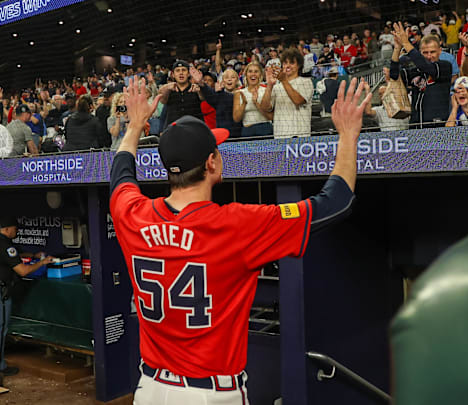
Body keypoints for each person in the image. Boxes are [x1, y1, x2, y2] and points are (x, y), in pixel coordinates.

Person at [109, 76, 369, 405]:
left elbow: (120, 176)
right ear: (211, 163)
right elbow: (336, 202)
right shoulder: (237, 225)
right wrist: (348, 135)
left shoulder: (133, 215)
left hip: (149, 390)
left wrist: (133, 126)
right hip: (208, 395)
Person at [0, 218, 54, 376]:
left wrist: (32, 254)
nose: (16, 231)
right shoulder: (6, 246)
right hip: (1, 292)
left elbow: (12, 255)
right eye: (15, 229)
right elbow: (23, 271)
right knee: (0, 328)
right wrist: (42, 262)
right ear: (7, 229)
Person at [390, 23, 452, 128]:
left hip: (437, 126)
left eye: (432, 52)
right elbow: (394, 75)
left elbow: (427, 67)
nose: (429, 56)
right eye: (425, 53)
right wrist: (397, 49)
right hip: (416, 126)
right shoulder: (416, 70)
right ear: (420, 53)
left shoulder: (444, 66)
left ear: (440, 51)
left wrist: (406, 42)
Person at [260, 47, 314, 138]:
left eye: (292, 63)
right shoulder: (277, 86)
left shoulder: (306, 82)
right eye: (285, 63)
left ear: (299, 65)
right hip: (280, 136)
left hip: (300, 135)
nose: (288, 66)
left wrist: (284, 81)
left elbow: (298, 101)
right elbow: (265, 108)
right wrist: (269, 85)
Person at [194, 67, 242, 139]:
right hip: (223, 136)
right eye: (226, 77)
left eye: (233, 77)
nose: (229, 79)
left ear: (237, 80)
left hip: (239, 136)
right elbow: (209, 95)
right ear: (222, 81)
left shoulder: (243, 94)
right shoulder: (219, 95)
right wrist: (201, 83)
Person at [233, 62, 273, 138]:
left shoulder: (266, 90)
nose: (253, 74)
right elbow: (236, 119)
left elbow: (271, 117)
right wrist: (244, 104)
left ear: (260, 75)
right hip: (248, 131)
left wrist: (256, 103)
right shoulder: (239, 93)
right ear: (246, 75)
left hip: (265, 129)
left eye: (256, 71)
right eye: (250, 71)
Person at [158, 60, 204, 125]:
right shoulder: (169, 90)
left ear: (188, 74)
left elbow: (203, 98)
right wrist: (166, 88)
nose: (181, 73)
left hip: (194, 128)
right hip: (174, 128)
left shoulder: (195, 88)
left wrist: (200, 89)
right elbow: (163, 100)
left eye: (184, 70)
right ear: (173, 75)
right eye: (177, 70)